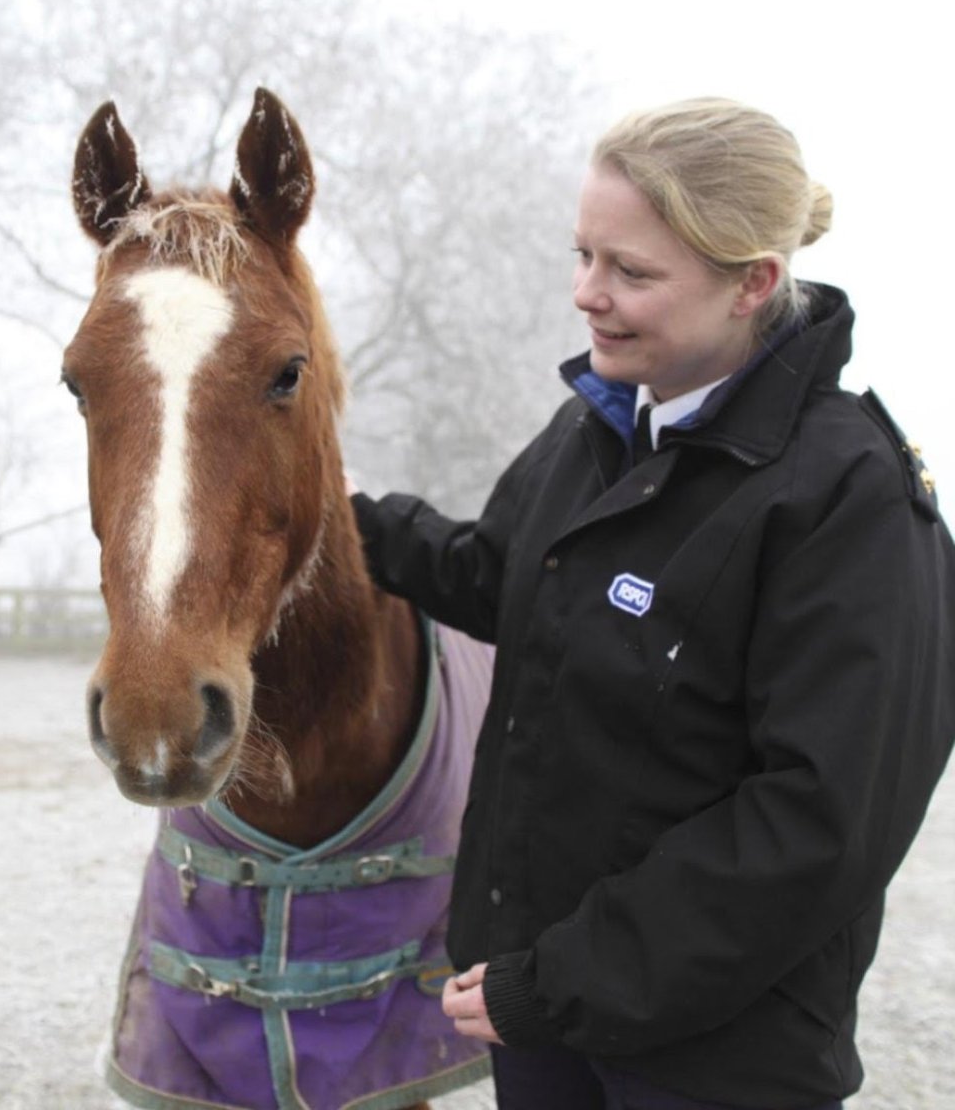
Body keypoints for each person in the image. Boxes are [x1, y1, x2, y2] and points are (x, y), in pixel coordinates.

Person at [349, 98, 955, 1110]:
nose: (587, 295)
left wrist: (556, 982)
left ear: (750, 283)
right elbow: (505, 577)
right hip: (539, 1014)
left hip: (715, 1058)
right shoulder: (596, 425)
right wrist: (330, 522)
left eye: (629, 272)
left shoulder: (848, 499)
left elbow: (814, 825)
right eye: (583, 255)